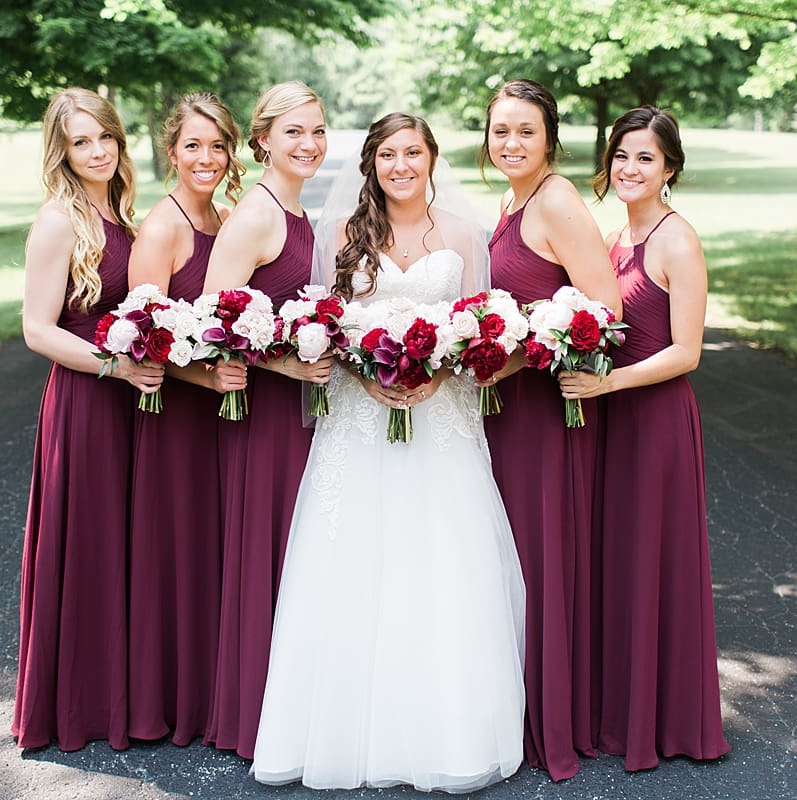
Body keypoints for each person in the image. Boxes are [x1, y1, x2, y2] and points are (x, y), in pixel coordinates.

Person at [251, 112, 525, 792]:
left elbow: (479, 330)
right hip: (359, 421)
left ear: (432, 157)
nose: (400, 165)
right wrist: (365, 378)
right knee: (354, 556)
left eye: (413, 152)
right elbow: (326, 328)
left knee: (442, 559)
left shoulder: (464, 234)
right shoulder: (343, 234)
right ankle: (340, 733)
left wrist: (437, 373)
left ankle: (449, 735)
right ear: (370, 163)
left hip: (442, 421)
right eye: (387, 154)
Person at [561, 105, 730, 771]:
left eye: (646, 159)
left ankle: (665, 721)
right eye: (622, 155)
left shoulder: (675, 240)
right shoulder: (613, 238)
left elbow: (687, 352)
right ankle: (617, 711)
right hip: (613, 417)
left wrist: (609, 385)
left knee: (653, 560)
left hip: (654, 421)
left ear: (670, 169)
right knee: (617, 560)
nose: (630, 168)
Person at [479, 78, 623, 781]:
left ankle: (554, 719)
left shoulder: (558, 200)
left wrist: (515, 357)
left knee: (541, 555)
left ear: (550, 139)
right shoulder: (512, 199)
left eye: (525, 132)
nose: (510, 142)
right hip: (507, 411)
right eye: (500, 130)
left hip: (543, 409)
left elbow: (602, 309)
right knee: (511, 558)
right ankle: (517, 703)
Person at [12, 87, 163, 751]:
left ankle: (123, 697)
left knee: (124, 547)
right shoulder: (58, 220)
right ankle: (80, 706)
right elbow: (37, 330)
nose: (98, 150)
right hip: (86, 401)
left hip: (130, 399)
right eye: (81, 141)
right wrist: (114, 366)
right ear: (62, 151)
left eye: (104, 136)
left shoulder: (121, 210)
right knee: (89, 548)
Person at [201, 81, 334, 759]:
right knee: (269, 552)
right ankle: (252, 714)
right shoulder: (256, 215)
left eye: (317, 130)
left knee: (300, 555)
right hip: (265, 417)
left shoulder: (298, 209)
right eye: (293, 133)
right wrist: (284, 368)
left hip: (303, 413)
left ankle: (295, 707)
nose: (309, 144)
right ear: (262, 141)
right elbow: (211, 321)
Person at [125, 93, 248, 746]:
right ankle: (168, 702)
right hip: (176, 418)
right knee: (177, 554)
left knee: (213, 553)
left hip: (220, 421)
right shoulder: (163, 227)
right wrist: (207, 376)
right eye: (194, 146)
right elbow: (145, 337)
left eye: (218, 146)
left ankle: (212, 697)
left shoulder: (227, 217)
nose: (207, 158)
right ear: (171, 152)